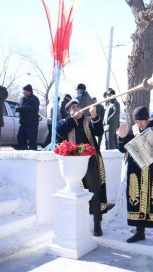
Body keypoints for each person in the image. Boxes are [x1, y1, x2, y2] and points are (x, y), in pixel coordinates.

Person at [117, 106, 153, 246]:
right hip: (136, 171)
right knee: (136, 200)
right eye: (137, 121)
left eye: (142, 121)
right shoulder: (133, 129)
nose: (140, 124)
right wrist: (122, 137)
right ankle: (139, 232)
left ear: (147, 119)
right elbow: (121, 148)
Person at [56, 99, 113, 236]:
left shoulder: (88, 120)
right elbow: (59, 131)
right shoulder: (65, 122)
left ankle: (97, 223)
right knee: (76, 192)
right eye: (72, 107)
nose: (76, 108)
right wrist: (73, 119)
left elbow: (99, 132)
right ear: (68, 111)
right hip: (73, 163)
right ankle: (78, 225)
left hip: (91, 161)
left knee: (94, 191)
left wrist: (94, 116)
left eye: (77, 106)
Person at [15, 84, 40, 150]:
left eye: (25, 91)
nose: (23, 92)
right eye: (23, 91)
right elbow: (17, 106)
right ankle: (23, 155)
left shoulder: (35, 99)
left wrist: (21, 108)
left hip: (32, 125)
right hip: (22, 124)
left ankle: (33, 157)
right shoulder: (22, 98)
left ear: (29, 91)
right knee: (20, 140)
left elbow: (33, 109)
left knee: (32, 142)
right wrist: (18, 108)